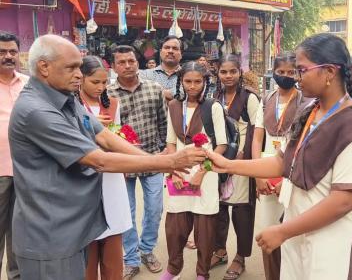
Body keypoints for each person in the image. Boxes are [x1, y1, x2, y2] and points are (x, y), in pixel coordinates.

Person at [8, 34, 206, 280]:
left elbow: (104, 136)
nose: (79, 75)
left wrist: (162, 163)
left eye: (79, 67)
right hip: (50, 235)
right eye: (71, 68)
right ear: (44, 67)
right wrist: (169, 161)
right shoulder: (37, 110)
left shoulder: (65, 98)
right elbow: (98, 159)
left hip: (72, 226)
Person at [207, 33, 352, 280]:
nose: (295, 77)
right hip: (301, 232)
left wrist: (283, 231)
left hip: (337, 242)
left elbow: (343, 200)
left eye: (301, 70)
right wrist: (229, 164)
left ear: (328, 72)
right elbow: (282, 162)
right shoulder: (310, 112)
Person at [161, 61, 227, 280]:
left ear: (205, 82)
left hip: (205, 176)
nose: (192, 86)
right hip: (179, 173)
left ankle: (202, 273)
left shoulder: (213, 107)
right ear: (180, 81)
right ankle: (173, 269)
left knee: (205, 229)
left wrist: (202, 171)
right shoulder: (173, 107)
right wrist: (174, 170)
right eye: (187, 81)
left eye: (197, 81)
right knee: (175, 227)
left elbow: (221, 145)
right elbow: (171, 142)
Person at [107, 45, 168, 279]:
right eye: (121, 62)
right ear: (114, 67)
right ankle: (131, 258)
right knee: (126, 211)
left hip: (152, 158)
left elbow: (163, 122)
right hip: (123, 163)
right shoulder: (109, 94)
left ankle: (147, 250)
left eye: (131, 61)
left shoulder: (154, 89)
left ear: (137, 62)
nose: (127, 66)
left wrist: (163, 151)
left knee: (154, 209)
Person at [252, 53, 309, 280]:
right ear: (273, 72)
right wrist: (258, 175)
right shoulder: (266, 99)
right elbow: (257, 139)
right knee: (268, 229)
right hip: (266, 170)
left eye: (291, 72)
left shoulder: (306, 102)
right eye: (281, 72)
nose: (285, 76)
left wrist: (286, 179)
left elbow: (304, 144)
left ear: (297, 73)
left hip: (292, 171)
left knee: (292, 230)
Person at [77, 56, 131, 280]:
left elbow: (115, 137)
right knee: (87, 244)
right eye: (94, 82)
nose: (100, 88)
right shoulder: (71, 105)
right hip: (84, 177)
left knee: (112, 238)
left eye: (104, 83)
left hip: (111, 177)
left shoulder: (112, 103)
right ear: (80, 79)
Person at [211, 54, 260, 280]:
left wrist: (243, 157)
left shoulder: (249, 97)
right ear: (218, 73)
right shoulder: (214, 95)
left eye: (232, 71)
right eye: (224, 72)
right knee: (218, 209)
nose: (228, 76)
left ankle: (240, 256)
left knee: (241, 210)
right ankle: (219, 250)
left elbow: (257, 130)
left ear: (240, 72)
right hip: (219, 159)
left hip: (241, 160)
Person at [0, 32, 26, 280]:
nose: (8, 56)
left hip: (25, 171)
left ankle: (16, 277)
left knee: (19, 232)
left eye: (12, 52)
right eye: (1, 52)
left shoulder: (29, 84)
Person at [140, 35, 182, 102]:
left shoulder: (188, 77)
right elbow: (142, 94)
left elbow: (186, 95)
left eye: (175, 48)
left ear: (181, 54)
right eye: (167, 48)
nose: (170, 51)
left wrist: (154, 90)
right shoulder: (145, 74)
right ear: (160, 52)